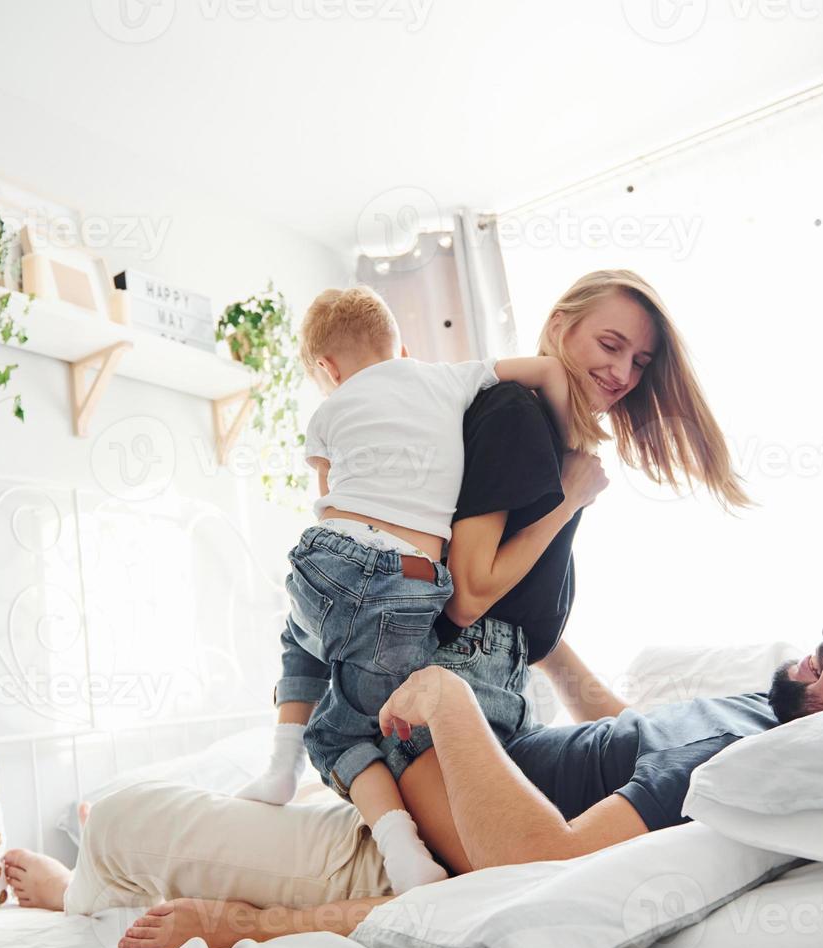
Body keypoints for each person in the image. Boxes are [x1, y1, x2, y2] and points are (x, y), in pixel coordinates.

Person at [3, 269, 751, 948]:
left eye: (640, 362)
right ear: (560, 326)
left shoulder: (546, 433)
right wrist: (568, 499)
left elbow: (532, 634)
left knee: (365, 795)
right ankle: (94, 891)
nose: (623, 374)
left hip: (478, 707)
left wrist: (634, 725)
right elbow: (467, 594)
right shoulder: (518, 420)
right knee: (161, 808)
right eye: (609, 345)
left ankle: (167, 878)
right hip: (442, 703)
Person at [3, 595, 823, 948]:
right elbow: (613, 756)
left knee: (124, 811)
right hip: (412, 789)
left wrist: (447, 703)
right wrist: (559, 651)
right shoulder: (755, 717)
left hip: (397, 835)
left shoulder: (757, 760)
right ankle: (113, 885)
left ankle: (81, 897)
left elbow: (542, 864)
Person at [236, 284, 577, 895]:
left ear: (326, 369)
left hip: (334, 560)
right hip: (415, 589)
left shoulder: (327, 412)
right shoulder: (447, 379)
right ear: (403, 347)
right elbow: (549, 369)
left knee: (310, 655)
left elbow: (330, 505)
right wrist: (565, 440)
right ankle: (363, 822)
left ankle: (290, 770)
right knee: (337, 701)